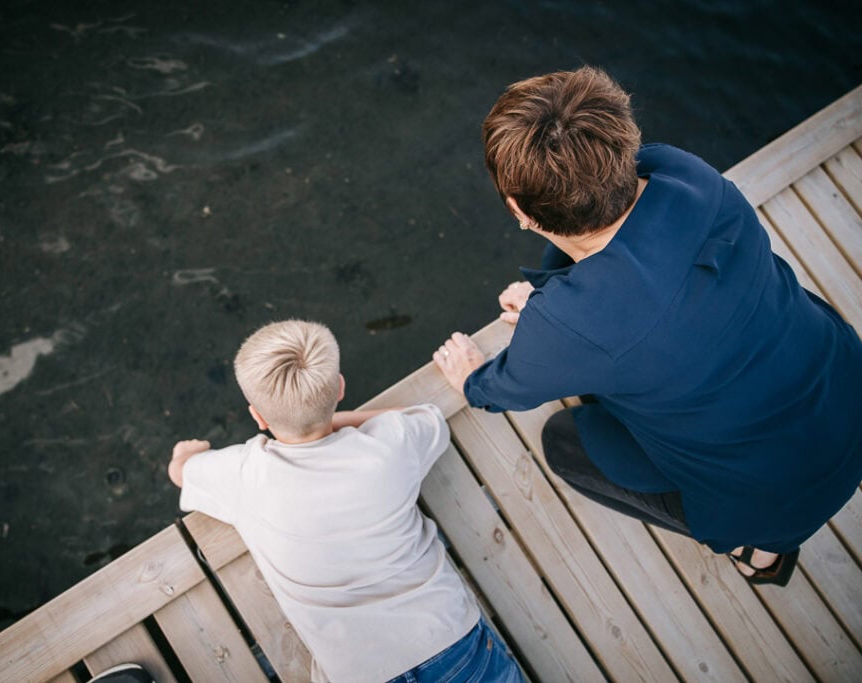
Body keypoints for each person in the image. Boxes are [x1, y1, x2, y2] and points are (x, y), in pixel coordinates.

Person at [434, 67, 862, 587]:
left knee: (567, 442)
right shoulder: (688, 176)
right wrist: (558, 314)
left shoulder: (567, 325)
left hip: (767, 498)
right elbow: (633, 291)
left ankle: (761, 552)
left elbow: (504, 391)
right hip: (844, 387)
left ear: (519, 211)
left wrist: (472, 380)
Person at [168, 320, 524, 682]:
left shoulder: (243, 475)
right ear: (339, 388)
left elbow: (181, 471)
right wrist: (329, 420)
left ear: (257, 416)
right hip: (451, 643)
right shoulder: (388, 447)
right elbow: (424, 418)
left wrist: (187, 453)